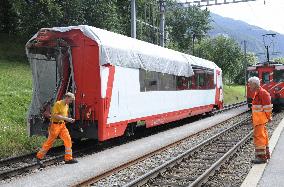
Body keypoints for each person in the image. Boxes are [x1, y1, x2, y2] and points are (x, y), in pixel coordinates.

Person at [36, 92, 78, 166]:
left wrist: (69, 119)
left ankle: (68, 158)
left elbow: (64, 115)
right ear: (67, 98)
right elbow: (55, 115)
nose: (71, 102)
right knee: (49, 142)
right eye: (71, 100)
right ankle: (39, 157)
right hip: (55, 126)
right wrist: (67, 119)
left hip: (62, 125)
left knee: (68, 140)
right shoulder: (58, 104)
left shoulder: (66, 105)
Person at [248, 76, 273, 164]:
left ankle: (261, 157)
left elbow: (268, 108)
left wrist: (268, 117)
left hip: (260, 120)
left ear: (255, 84)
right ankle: (265, 155)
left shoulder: (263, 93)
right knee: (263, 137)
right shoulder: (258, 93)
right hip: (259, 120)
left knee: (259, 138)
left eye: (250, 85)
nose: (249, 86)